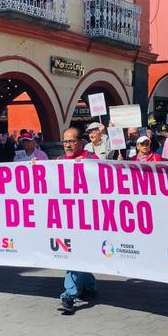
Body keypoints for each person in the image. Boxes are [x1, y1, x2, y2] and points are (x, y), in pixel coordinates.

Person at [56, 127, 98, 314]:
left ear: (81, 142)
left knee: (76, 255)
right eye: (65, 141)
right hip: (66, 218)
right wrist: (35, 166)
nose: (67, 145)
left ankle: (69, 295)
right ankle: (88, 285)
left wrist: (89, 165)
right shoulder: (58, 162)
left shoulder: (92, 159)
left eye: (71, 141)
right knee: (76, 255)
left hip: (87, 219)